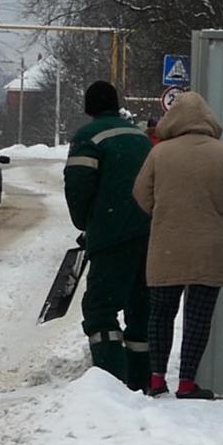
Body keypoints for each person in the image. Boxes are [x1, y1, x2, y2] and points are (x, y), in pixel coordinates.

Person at [133, 91, 223, 399]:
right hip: (211, 247)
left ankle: (157, 379)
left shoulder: (159, 154)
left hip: (167, 244)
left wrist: (163, 214)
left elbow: (141, 194)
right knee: (198, 317)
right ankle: (187, 382)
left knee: (160, 313)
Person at [65, 81, 153, 391]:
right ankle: (142, 380)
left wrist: (86, 225)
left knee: (101, 310)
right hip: (150, 236)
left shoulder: (89, 138)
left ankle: (111, 383)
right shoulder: (140, 137)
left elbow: (77, 188)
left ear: (88, 108)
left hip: (112, 236)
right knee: (140, 309)